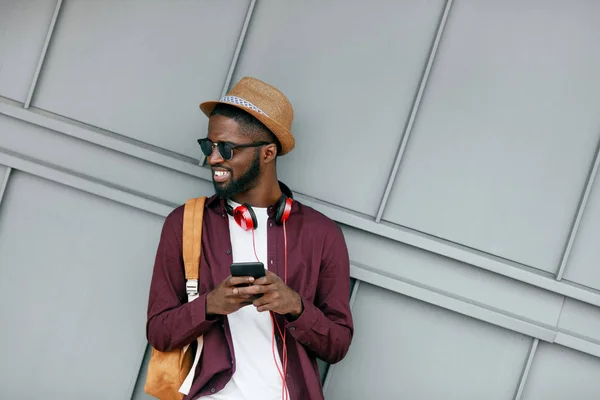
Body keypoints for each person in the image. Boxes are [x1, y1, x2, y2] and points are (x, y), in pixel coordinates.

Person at [145, 76, 354, 400]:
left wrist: (295, 306)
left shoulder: (321, 233)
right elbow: (159, 332)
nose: (214, 158)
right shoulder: (185, 224)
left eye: (227, 148)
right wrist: (211, 305)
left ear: (268, 152)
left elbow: (337, 345)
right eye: (209, 146)